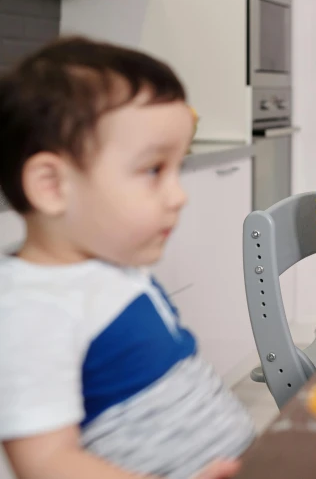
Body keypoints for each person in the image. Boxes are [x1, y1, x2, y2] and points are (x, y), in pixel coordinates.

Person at [0, 37, 255, 479]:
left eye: (178, 170)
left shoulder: (112, 267)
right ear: (52, 185)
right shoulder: (30, 309)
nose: (178, 195)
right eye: (154, 170)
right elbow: (46, 463)